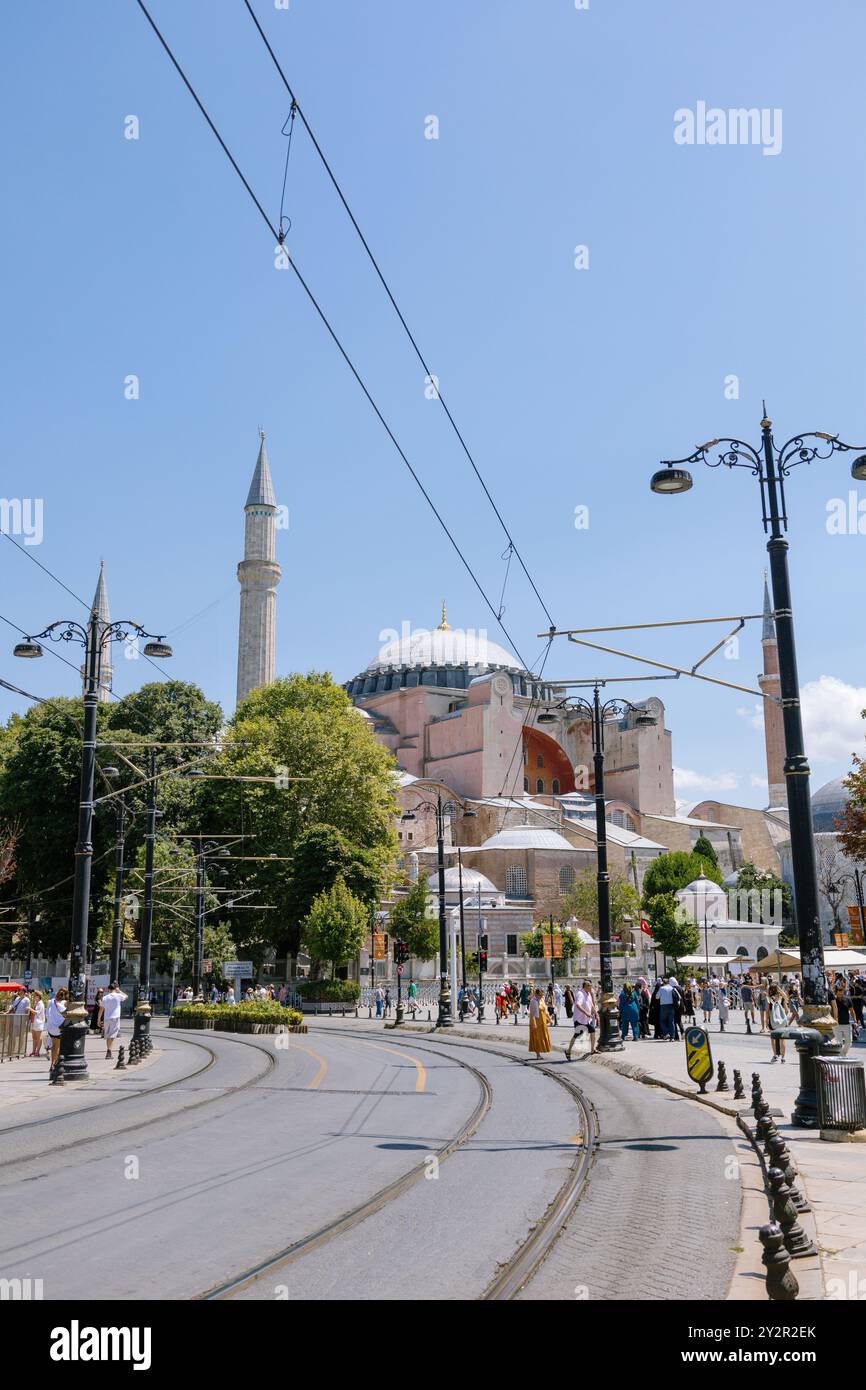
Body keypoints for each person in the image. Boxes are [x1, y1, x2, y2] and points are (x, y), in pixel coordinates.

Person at [565, 979, 598, 1058]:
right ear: (586, 987)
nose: (591, 988)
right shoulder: (580, 994)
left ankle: (592, 1049)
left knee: (593, 1031)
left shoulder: (588, 993)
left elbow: (591, 1004)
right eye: (590, 986)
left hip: (587, 1019)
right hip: (579, 1019)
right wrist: (586, 1013)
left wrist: (596, 1013)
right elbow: (578, 1005)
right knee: (577, 1034)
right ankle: (568, 1050)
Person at [98, 982, 128, 1060]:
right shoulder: (118, 996)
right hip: (115, 1018)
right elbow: (126, 996)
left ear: (108, 989)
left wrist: (98, 1019)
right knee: (112, 1035)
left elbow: (101, 1009)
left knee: (108, 1035)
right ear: (115, 989)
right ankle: (109, 1052)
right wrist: (119, 991)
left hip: (107, 1018)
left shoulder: (105, 998)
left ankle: (109, 1051)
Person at [831, 980, 856, 1055]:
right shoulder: (833, 1001)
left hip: (846, 1024)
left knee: (849, 1042)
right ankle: (840, 1056)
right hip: (836, 1025)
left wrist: (855, 1021)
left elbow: (852, 1011)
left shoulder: (847, 999)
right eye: (839, 993)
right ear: (836, 993)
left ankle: (842, 1054)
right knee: (839, 1043)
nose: (840, 995)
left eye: (841, 993)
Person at [766, 984, 789, 1063]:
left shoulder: (768, 999)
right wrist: (782, 1017)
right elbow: (787, 1010)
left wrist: (767, 1021)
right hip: (782, 1022)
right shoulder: (781, 998)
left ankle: (775, 1055)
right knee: (782, 1040)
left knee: (773, 1039)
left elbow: (767, 1012)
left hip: (773, 1022)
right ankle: (783, 1058)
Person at [46, 987, 68, 1068]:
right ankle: (55, 1064)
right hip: (59, 1028)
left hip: (51, 1027)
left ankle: (52, 1063)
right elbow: (66, 1014)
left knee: (54, 1047)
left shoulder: (50, 1001)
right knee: (58, 1047)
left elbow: (47, 1014)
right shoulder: (65, 1003)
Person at [528, 987, 551, 1060]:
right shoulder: (533, 1001)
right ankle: (538, 1054)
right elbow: (532, 1013)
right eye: (540, 995)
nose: (541, 997)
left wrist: (549, 1019)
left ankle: (542, 1050)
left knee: (543, 1037)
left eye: (542, 995)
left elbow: (545, 1010)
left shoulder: (541, 1000)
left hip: (543, 1021)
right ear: (536, 995)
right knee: (537, 1037)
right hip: (536, 1021)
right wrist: (534, 1023)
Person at [657, 977, 681, 1041]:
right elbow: (679, 997)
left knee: (662, 1020)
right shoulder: (672, 988)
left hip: (663, 1006)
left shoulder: (662, 988)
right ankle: (672, 1037)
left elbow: (657, 997)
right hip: (671, 1006)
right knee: (671, 1021)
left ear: (663, 983)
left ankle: (666, 1032)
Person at [30, 990, 45, 1057]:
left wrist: (29, 1008)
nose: (33, 997)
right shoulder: (37, 1003)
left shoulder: (41, 1004)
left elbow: (37, 1012)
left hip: (39, 1023)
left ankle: (37, 1052)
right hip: (34, 1022)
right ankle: (33, 1051)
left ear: (38, 996)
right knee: (34, 1038)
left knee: (38, 1038)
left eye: (35, 995)